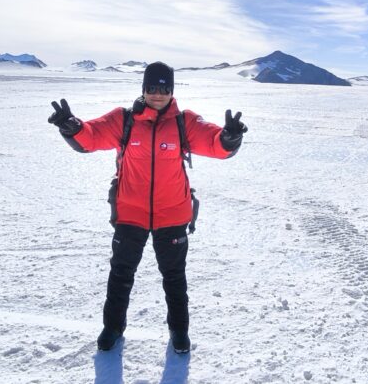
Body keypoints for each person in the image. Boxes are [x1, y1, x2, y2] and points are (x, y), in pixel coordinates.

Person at [48, 62, 247, 354]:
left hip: (173, 213)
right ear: (144, 89)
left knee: (174, 276)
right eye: (152, 87)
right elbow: (91, 137)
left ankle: (179, 330)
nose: (158, 94)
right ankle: (113, 327)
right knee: (121, 273)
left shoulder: (184, 122)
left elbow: (214, 143)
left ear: (172, 90)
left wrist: (229, 138)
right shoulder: (124, 120)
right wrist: (72, 127)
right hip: (130, 212)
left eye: (164, 88)